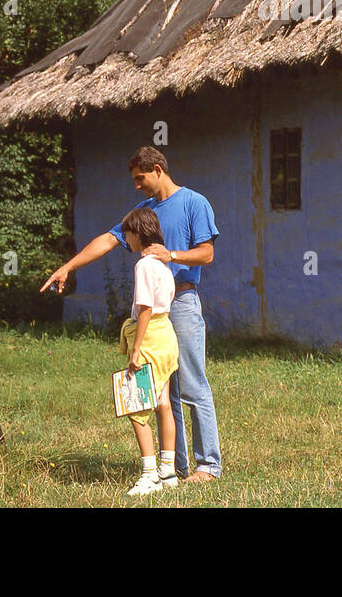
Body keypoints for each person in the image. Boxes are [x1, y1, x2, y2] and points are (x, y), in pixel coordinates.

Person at [41, 146, 223, 482]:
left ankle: (208, 466)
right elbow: (108, 241)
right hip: (150, 317)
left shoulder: (194, 203)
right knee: (164, 393)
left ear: (157, 169)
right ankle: (177, 467)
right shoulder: (144, 211)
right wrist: (68, 267)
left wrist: (172, 254)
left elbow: (207, 254)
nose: (137, 187)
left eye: (140, 179)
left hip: (180, 304)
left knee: (193, 386)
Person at [117, 207, 179, 497]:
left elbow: (145, 308)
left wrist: (136, 349)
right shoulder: (163, 264)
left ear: (138, 233)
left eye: (127, 233)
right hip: (167, 335)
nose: (125, 239)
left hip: (151, 337)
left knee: (136, 406)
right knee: (163, 403)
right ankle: (168, 470)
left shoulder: (143, 266)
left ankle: (149, 475)